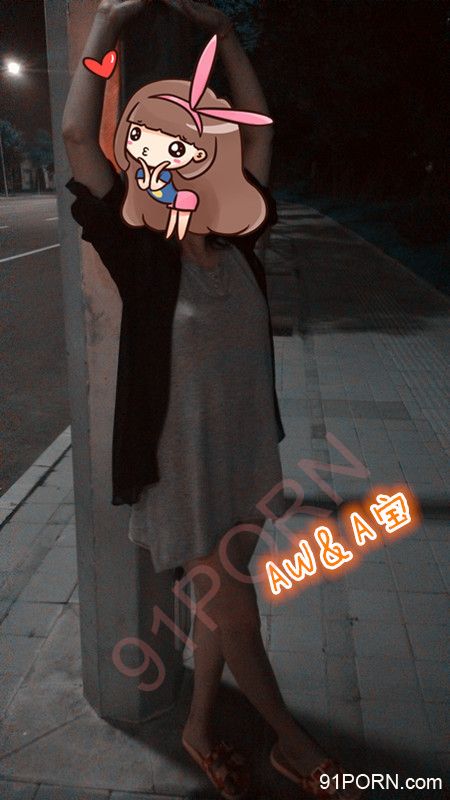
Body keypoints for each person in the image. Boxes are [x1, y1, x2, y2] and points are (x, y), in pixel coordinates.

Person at [62, 1, 361, 798]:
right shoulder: (140, 254)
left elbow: (263, 134)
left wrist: (225, 38)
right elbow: (75, 137)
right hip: (182, 468)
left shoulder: (240, 243)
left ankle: (198, 729)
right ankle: (295, 746)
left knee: (221, 612)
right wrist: (107, 28)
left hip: (242, 452)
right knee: (238, 614)